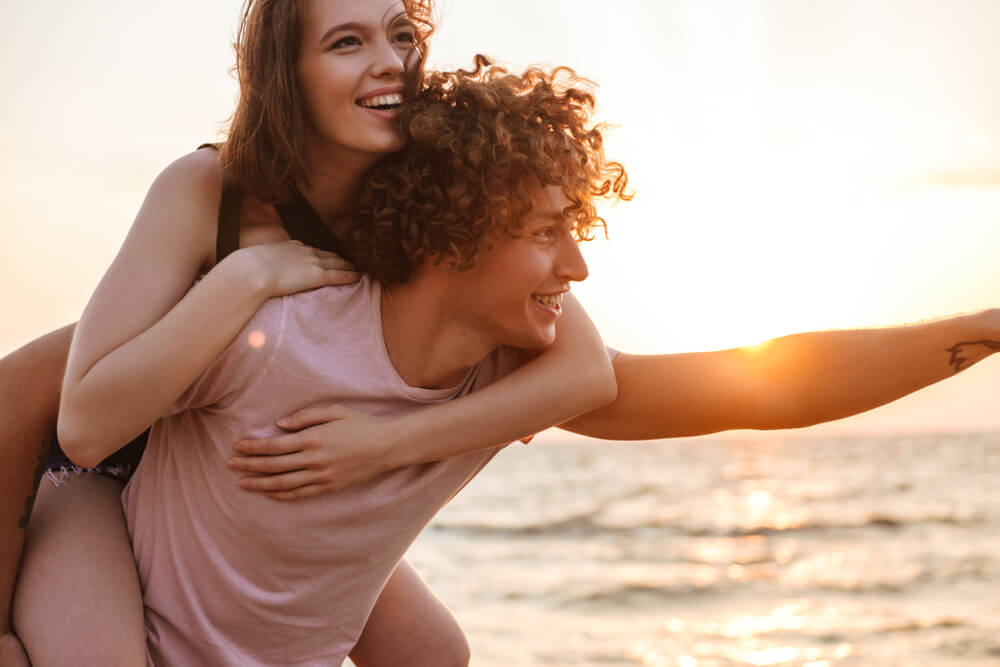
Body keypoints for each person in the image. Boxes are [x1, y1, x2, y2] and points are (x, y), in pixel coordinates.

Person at [3, 1, 618, 666]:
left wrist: (383, 444)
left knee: (437, 652)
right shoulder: (209, 192)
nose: (390, 60)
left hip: (244, 471)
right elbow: (71, 414)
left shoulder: (434, 196)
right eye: (347, 42)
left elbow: (587, 372)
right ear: (285, 75)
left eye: (402, 33)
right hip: (108, 470)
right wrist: (245, 278)